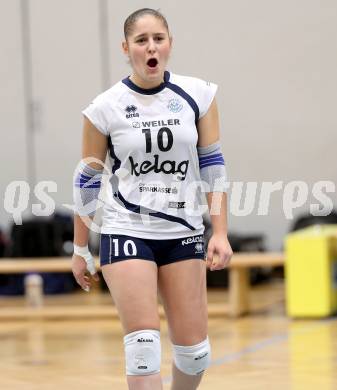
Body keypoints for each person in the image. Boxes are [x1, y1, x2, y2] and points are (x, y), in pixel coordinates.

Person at [71, 8, 232, 390]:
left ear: (170, 45)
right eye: (141, 41)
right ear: (126, 49)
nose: (150, 47)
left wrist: (221, 231)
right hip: (126, 229)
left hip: (183, 229)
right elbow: (88, 178)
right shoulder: (104, 108)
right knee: (142, 348)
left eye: (158, 38)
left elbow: (213, 165)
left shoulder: (198, 95)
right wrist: (80, 247)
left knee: (195, 355)